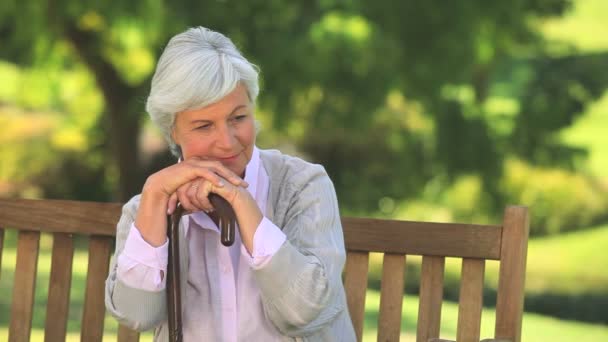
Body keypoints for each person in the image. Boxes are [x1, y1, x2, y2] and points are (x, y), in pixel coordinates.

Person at [104, 26, 356, 341]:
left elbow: (303, 311)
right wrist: (155, 197)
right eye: (204, 125)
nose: (227, 142)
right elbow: (137, 314)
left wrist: (241, 203)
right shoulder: (145, 208)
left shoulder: (304, 186)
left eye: (238, 118)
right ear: (173, 132)